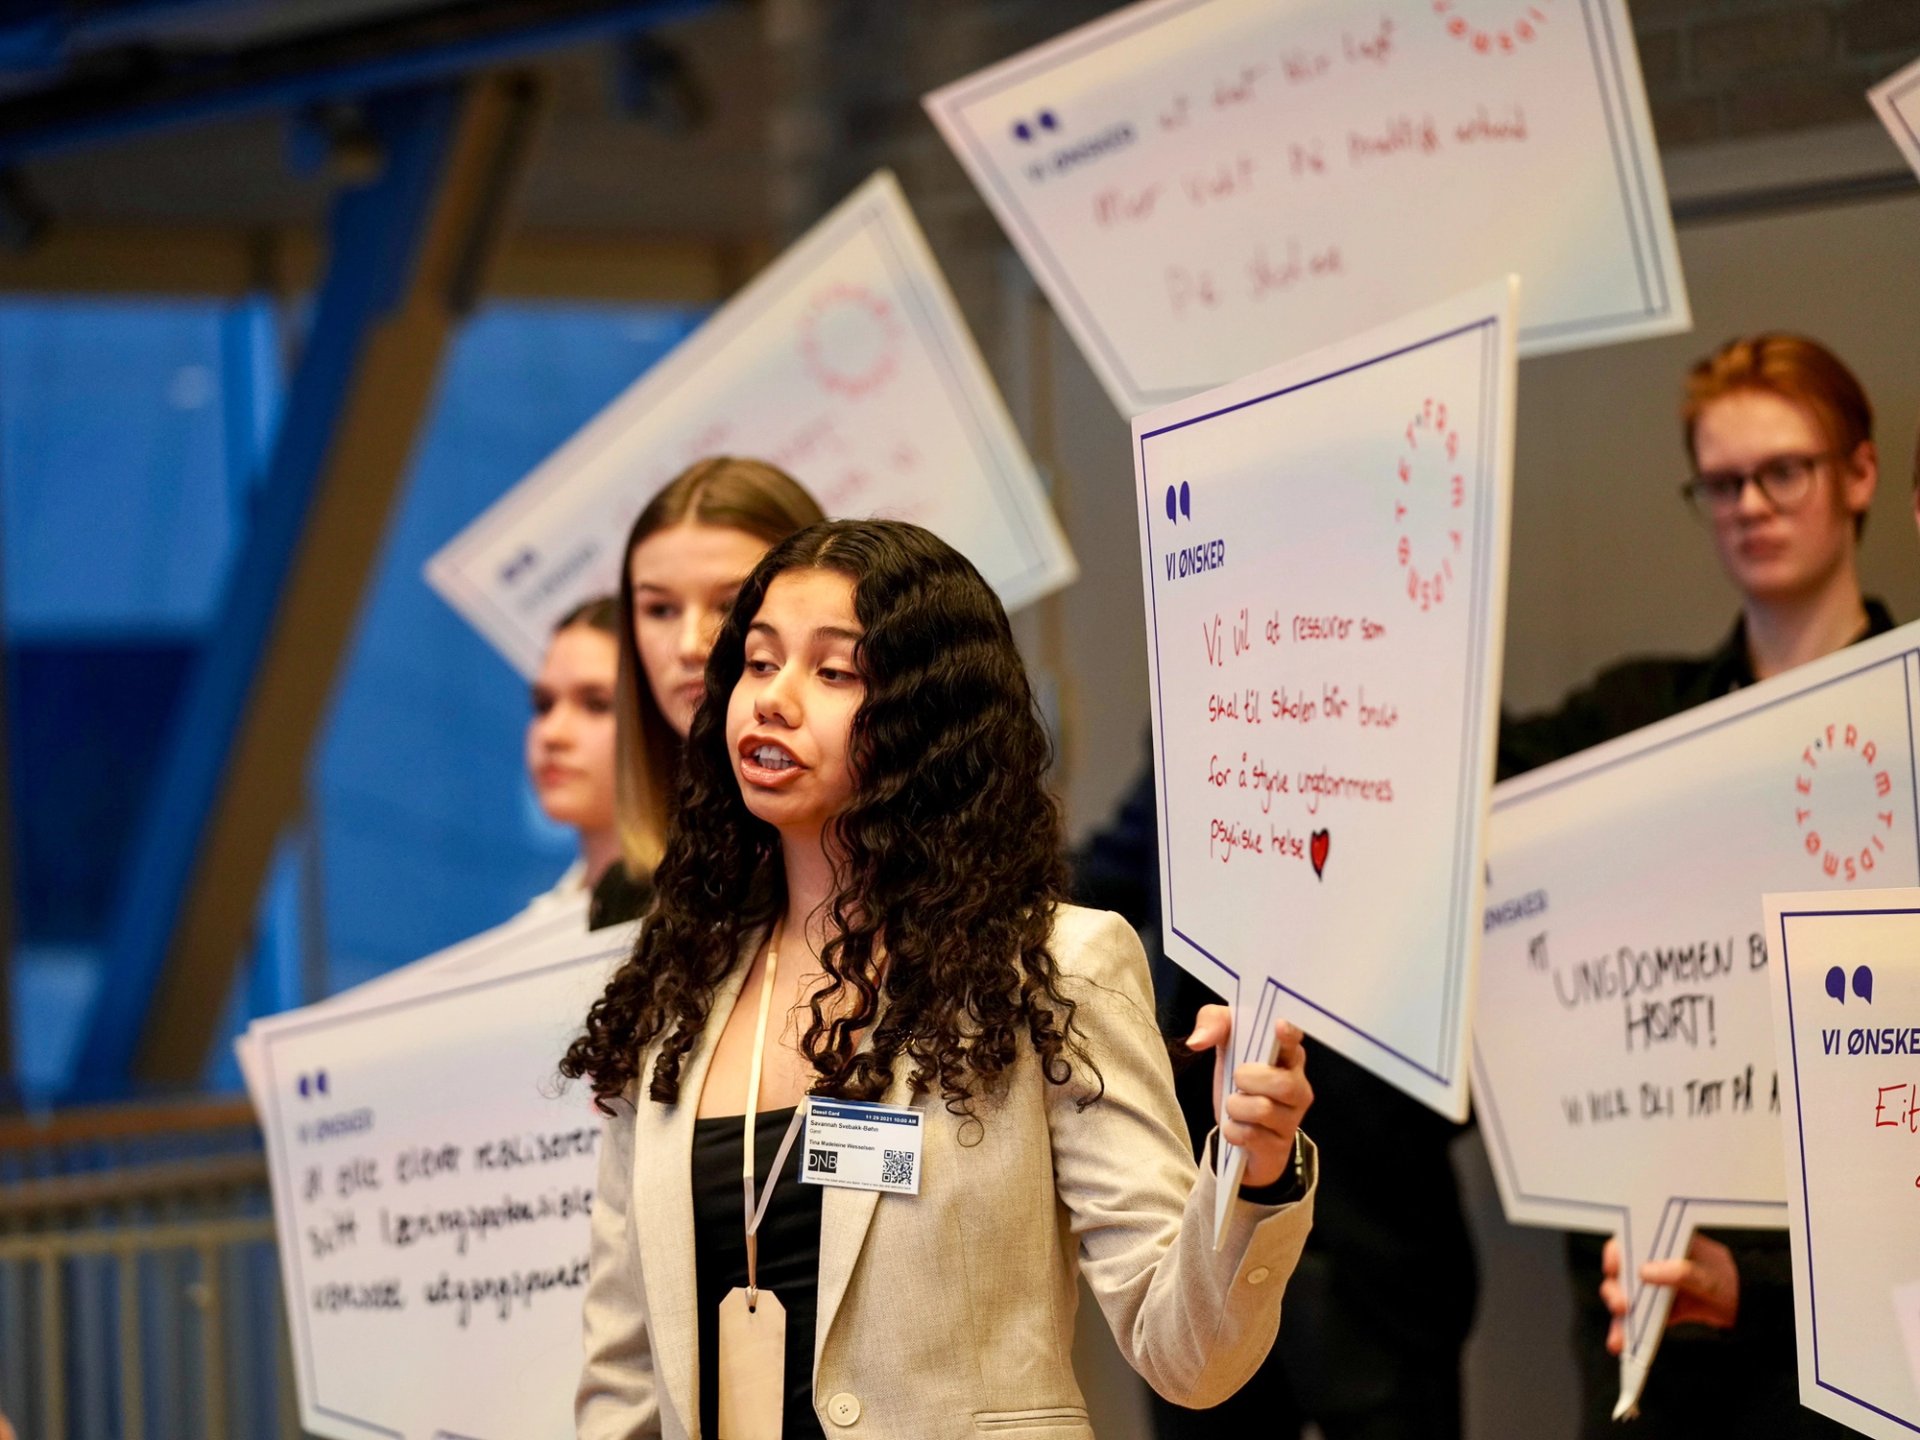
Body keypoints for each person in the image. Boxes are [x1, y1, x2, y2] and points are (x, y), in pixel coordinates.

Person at [563, 520, 1317, 1440]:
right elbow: (624, 1380)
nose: (774, 700)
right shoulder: (674, 992)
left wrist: (1252, 1169)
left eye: (833, 673)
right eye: (759, 664)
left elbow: (1187, 1357)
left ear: (928, 720)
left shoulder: (1050, 970)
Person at [1501, 332, 1888, 1439]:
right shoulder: (1631, 723)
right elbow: (1457, 789)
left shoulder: (1909, 719)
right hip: (1650, 1312)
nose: (1751, 505)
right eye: (1722, 482)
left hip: (1861, 1312)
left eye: (1784, 472)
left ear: (1859, 474)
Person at [1077, 763, 1476, 1440]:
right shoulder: (1204, 723)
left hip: (1373, 1203)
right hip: (1203, 1201)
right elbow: (1109, 870)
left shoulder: (1425, 730)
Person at [592, 456, 826, 927]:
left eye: (730, 604)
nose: (689, 645)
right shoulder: (629, 894)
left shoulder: (926, 879)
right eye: (660, 610)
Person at [524, 595, 623, 924]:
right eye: (544, 705)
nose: (551, 734)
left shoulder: (718, 914)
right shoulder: (538, 924)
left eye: (596, 704)